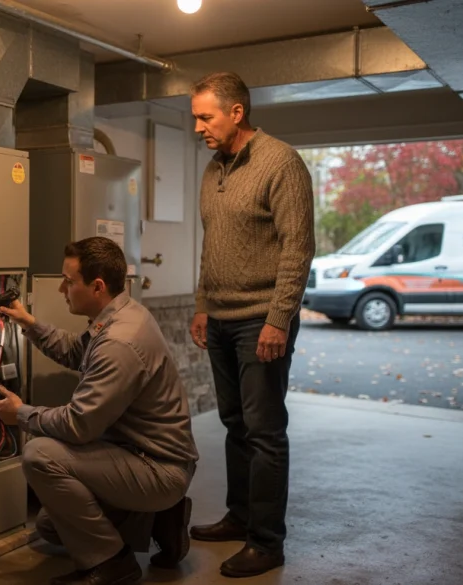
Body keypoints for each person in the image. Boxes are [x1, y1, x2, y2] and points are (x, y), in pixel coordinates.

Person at [0, 236, 199, 585]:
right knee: (51, 526)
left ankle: (112, 563)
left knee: (40, 455)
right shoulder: (122, 313)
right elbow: (77, 352)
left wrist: (21, 413)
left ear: (97, 286)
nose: (62, 289)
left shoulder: (120, 341)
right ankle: (160, 520)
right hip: (138, 453)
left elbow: (79, 425)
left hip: (158, 467)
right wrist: (28, 323)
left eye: (68, 281)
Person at [187, 71, 315, 578]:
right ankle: (239, 517)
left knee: (264, 433)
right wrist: (203, 303)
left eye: (205, 117)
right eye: (196, 117)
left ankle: (266, 542)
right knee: (235, 426)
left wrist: (278, 320)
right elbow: (212, 244)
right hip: (220, 318)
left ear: (236, 112)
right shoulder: (213, 169)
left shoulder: (280, 162)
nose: (198, 127)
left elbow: (297, 249)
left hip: (261, 320)